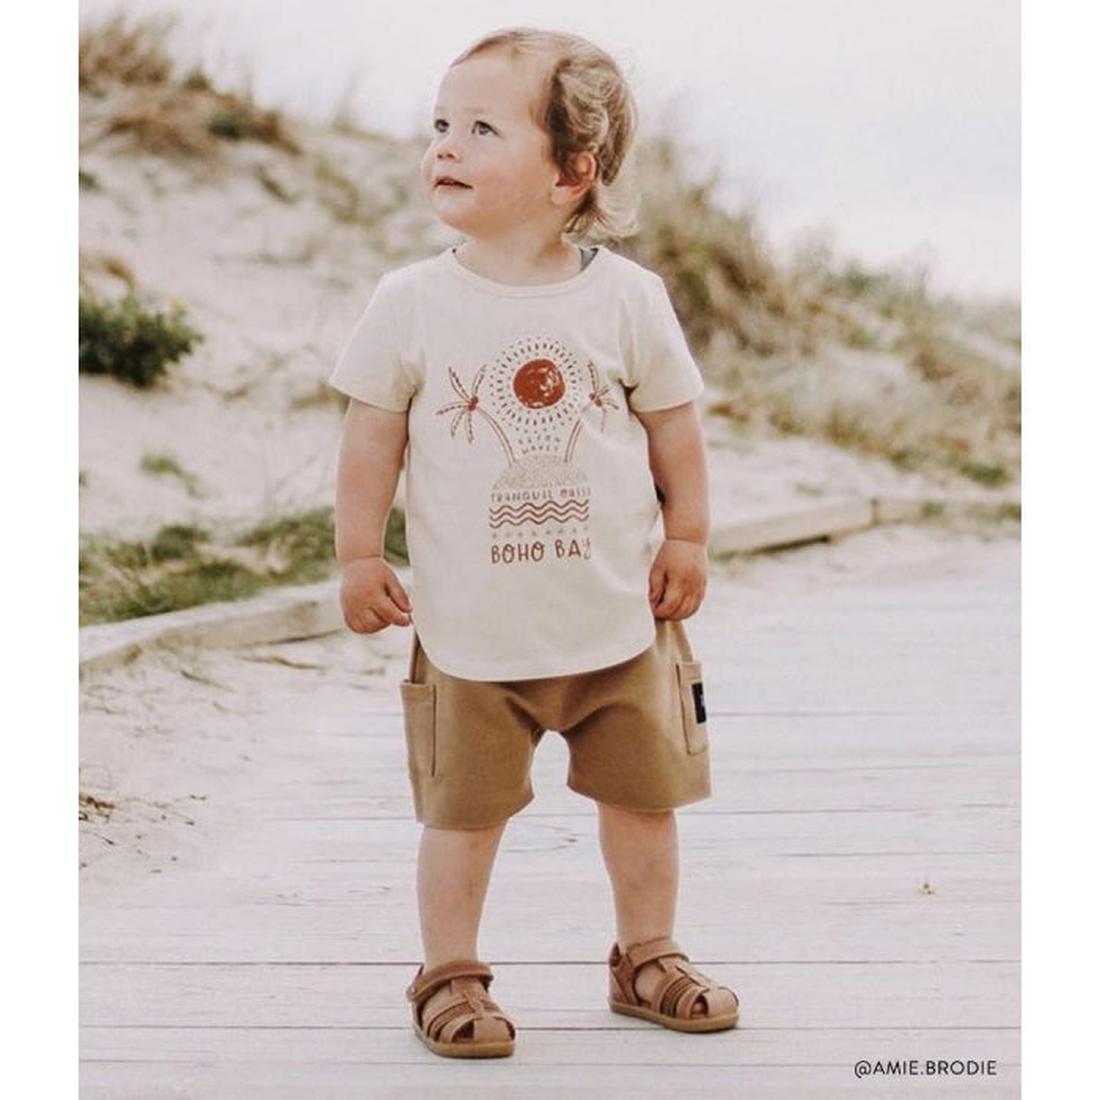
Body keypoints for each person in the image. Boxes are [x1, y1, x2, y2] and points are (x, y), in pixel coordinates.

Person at [329, 26, 740, 1059]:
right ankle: (449, 972)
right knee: (462, 815)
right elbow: (370, 438)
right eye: (439, 124)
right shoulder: (411, 301)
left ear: (571, 171)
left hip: (618, 620)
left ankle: (647, 953)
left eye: (481, 128)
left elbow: (674, 427)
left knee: (644, 801)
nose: (444, 146)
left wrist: (688, 535)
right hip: (472, 634)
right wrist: (358, 555)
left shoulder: (628, 298)